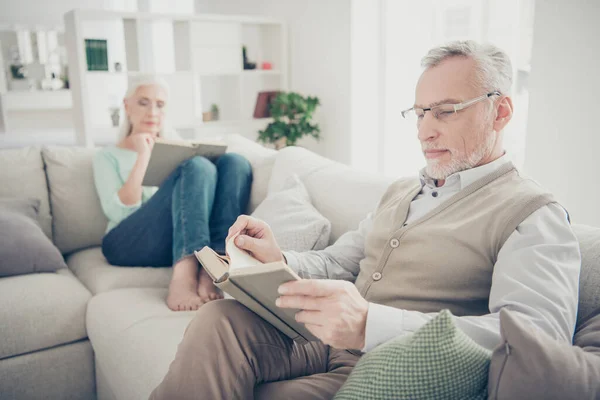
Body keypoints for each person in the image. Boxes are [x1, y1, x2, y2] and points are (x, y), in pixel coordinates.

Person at [149, 41, 581, 399]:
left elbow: (533, 342)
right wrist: (277, 257)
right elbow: (340, 262)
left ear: (500, 112)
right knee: (218, 320)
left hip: (389, 363)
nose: (424, 131)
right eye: (420, 112)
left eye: (445, 111)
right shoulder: (402, 191)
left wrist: (368, 325)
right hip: (321, 340)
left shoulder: (532, 214)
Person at [93, 75, 252, 312]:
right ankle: (184, 275)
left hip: (173, 241)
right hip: (125, 243)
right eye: (143, 102)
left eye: (160, 105)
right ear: (127, 106)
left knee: (235, 162)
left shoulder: (178, 149)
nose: (152, 112)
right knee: (196, 166)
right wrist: (144, 154)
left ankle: (213, 266)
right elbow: (119, 210)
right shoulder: (107, 156)